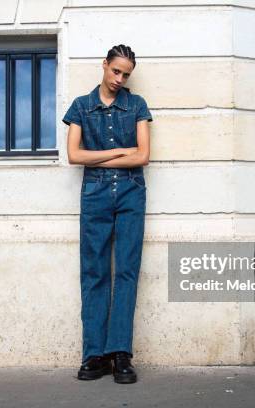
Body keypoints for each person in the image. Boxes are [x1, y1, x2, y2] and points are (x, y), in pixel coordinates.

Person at [62, 44, 153, 384]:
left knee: (127, 271)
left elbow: (143, 156)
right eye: (116, 71)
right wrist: (118, 150)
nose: (120, 78)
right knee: (95, 272)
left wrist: (98, 155)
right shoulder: (81, 106)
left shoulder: (137, 105)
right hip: (95, 194)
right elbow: (74, 155)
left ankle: (121, 354)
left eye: (126, 74)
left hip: (131, 191)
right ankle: (94, 355)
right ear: (104, 65)